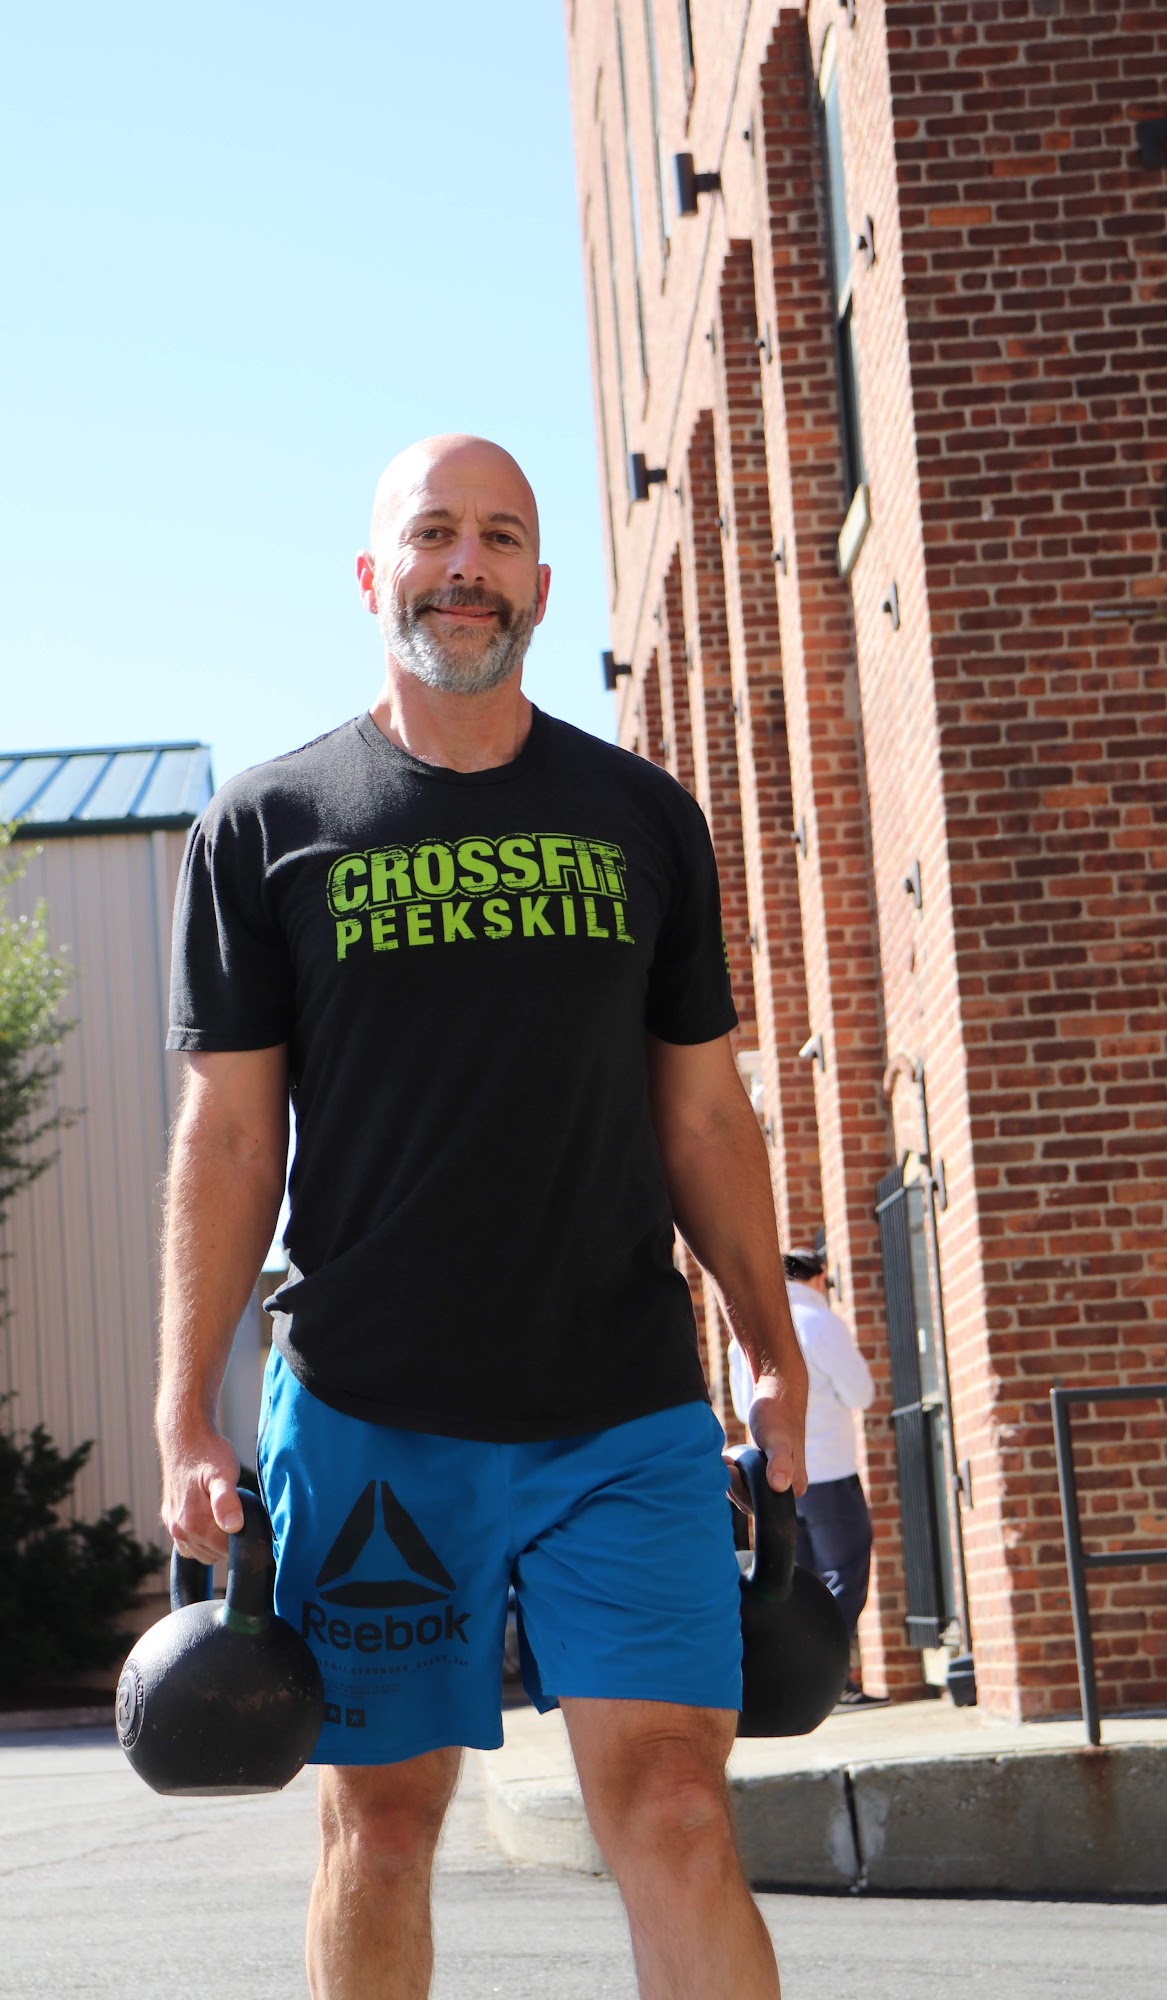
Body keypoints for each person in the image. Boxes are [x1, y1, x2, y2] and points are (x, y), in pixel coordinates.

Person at [156, 434, 809, 2000]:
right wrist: (185, 1411)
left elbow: (704, 1114)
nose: (468, 565)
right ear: (373, 576)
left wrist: (771, 1349)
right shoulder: (265, 826)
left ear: (541, 584)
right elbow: (232, 1138)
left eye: (501, 537)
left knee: (676, 1806)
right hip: (372, 1412)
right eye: (435, 533)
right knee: (381, 1827)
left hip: (622, 1408)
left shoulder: (641, 817)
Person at [728, 1247, 882, 1706]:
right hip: (829, 1470)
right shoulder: (819, 1322)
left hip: (774, 1476)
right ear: (818, 1277)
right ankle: (824, 1675)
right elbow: (862, 1393)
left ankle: (803, 1683)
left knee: (797, 1579)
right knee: (845, 1573)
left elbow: (743, 1405)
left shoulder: (745, 1333)